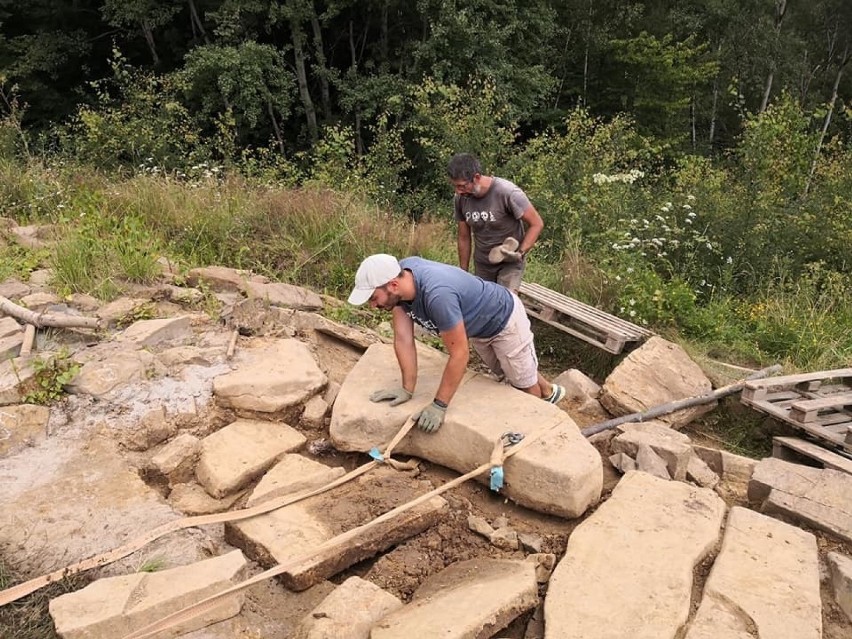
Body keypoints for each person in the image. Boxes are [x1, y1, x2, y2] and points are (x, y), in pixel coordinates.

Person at [348, 254, 565, 433]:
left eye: (374, 298)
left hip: (504, 320)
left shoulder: (437, 296)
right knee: (508, 370)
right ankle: (549, 391)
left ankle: (535, 429)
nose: (373, 305)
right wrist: (407, 388)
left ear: (393, 285)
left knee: (521, 384)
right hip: (478, 325)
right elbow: (404, 339)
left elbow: (460, 354)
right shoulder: (401, 279)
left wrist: (439, 405)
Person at [447, 153, 544, 293]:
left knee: (505, 305)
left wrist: (520, 253)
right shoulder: (461, 198)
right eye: (455, 186)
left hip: (509, 264)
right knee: (484, 307)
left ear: (477, 178)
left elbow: (537, 223)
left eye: (462, 186)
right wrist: (464, 273)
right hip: (483, 264)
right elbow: (464, 236)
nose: (458, 191)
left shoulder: (507, 193)